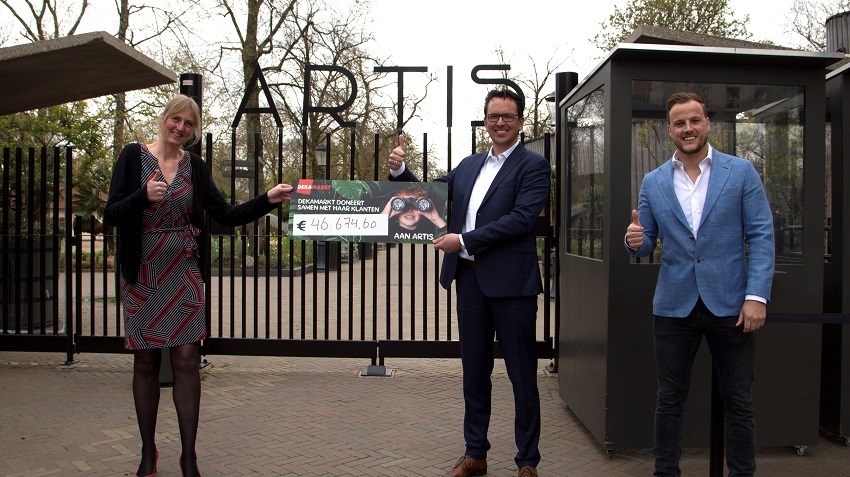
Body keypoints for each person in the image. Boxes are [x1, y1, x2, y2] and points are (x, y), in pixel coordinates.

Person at [104, 94, 293, 477]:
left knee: (187, 361)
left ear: (193, 130)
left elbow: (225, 213)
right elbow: (111, 213)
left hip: (184, 272)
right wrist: (142, 196)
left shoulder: (195, 166)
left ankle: (188, 456)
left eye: (188, 124)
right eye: (176, 120)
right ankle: (148, 452)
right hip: (144, 273)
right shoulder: (133, 156)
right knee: (146, 362)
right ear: (165, 119)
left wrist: (267, 200)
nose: (181, 128)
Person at [388, 88, 550, 477]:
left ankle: (527, 461)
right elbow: (429, 199)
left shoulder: (533, 166)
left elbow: (522, 220)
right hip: (471, 282)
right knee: (474, 372)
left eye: (507, 116)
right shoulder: (468, 165)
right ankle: (475, 454)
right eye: (493, 116)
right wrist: (399, 172)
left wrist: (463, 240)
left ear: (520, 121)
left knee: (522, 376)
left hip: (512, 287)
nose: (500, 123)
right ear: (485, 121)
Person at [624, 92, 775, 477]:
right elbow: (646, 241)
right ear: (669, 130)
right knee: (669, 400)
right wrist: (634, 241)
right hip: (674, 305)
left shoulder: (740, 172)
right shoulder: (654, 181)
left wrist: (757, 296)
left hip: (732, 305)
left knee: (739, 402)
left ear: (707, 123)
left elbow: (761, 235)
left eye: (694, 120)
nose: (687, 128)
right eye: (679, 123)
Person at [381, 183, 447, 241]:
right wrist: (384, 215)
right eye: (404, 205)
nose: (410, 210)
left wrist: (436, 219)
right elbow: (374, 234)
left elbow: (449, 239)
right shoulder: (387, 231)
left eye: (415, 206)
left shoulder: (430, 232)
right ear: (394, 207)